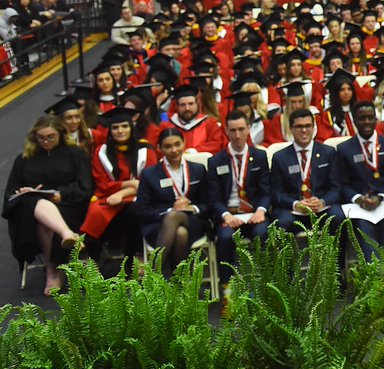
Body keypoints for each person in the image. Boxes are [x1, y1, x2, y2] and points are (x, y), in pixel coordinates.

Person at [3, 115, 90, 295]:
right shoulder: (24, 158)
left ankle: (52, 271)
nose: (45, 141)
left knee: (43, 221)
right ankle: (65, 236)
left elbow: (84, 185)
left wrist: (61, 194)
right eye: (41, 137)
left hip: (69, 204)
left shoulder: (76, 154)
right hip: (32, 209)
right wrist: (22, 192)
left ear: (60, 134)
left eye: (50, 137)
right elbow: (11, 190)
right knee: (35, 206)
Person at [205, 110, 270, 289]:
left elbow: (266, 192)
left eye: (241, 129)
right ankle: (228, 292)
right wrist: (225, 215)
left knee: (263, 234)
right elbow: (214, 198)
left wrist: (260, 211)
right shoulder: (216, 161)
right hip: (230, 215)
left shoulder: (259, 157)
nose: (238, 135)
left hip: (253, 214)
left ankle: (267, 287)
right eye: (233, 130)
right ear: (226, 130)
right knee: (224, 238)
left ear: (249, 129)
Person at [81, 108, 156, 262]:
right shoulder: (102, 152)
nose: (120, 131)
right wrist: (130, 184)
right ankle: (93, 264)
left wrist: (122, 193)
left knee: (133, 212)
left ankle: (134, 259)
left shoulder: (146, 150)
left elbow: (149, 183)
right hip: (108, 196)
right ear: (110, 130)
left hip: (137, 197)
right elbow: (102, 183)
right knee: (95, 211)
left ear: (131, 128)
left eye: (124, 126)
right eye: (115, 127)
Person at [336, 100, 384, 258]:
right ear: (355, 121)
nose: (366, 122)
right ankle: (374, 275)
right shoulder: (344, 149)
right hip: (360, 207)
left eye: (370, 117)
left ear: (376, 119)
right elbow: (343, 183)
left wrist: (381, 197)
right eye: (362, 118)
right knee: (363, 228)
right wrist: (358, 198)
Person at [134, 128, 208, 277]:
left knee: (176, 218)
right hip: (158, 225)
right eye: (168, 146)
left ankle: (154, 274)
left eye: (177, 144)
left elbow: (208, 204)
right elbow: (142, 210)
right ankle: (179, 282)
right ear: (159, 148)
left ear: (184, 143)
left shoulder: (198, 170)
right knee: (180, 232)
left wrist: (191, 207)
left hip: (193, 221)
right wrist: (170, 210)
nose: (174, 150)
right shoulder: (149, 174)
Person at [268, 108, 343, 233]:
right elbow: (276, 193)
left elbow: (336, 188)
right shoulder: (280, 157)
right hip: (293, 210)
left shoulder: (328, 153)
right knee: (282, 222)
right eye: (299, 126)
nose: (304, 130)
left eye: (308, 126)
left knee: (339, 217)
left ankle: (337, 253)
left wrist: (322, 202)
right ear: (291, 129)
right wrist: (296, 204)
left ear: (314, 128)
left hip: (321, 207)